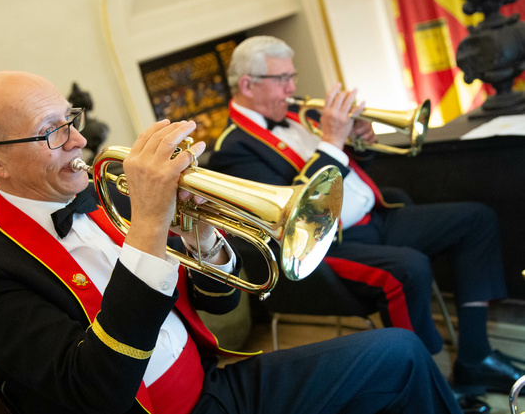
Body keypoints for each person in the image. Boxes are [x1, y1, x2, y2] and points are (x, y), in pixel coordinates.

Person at [0, 70, 463, 414]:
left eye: (70, 121)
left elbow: (221, 306)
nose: (78, 140)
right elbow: (93, 388)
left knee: (401, 352)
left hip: (214, 388)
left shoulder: (106, 201)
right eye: (51, 131)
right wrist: (147, 226)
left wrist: (205, 243)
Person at [208, 35, 525, 396]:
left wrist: (358, 139)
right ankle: (430, 386)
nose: (293, 87)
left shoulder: (297, 118)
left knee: (476, 220)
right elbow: (297, 209)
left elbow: (348, 173)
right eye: (282, 79)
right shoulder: (232, 150)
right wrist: (332, 140)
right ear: (248, 85)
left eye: (292, 76)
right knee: (410, 267)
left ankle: (474, 357)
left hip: (375, 218)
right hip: (327, 248)